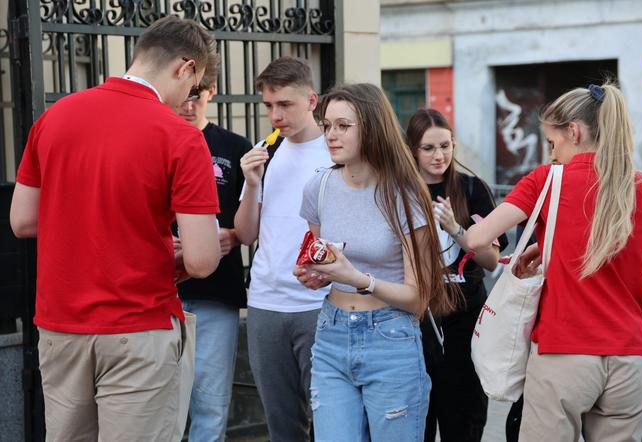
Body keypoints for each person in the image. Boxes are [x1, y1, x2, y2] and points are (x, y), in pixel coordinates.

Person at [9, 16, 221, 442]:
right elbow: (201, 260)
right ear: (186, 67)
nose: (188, 98)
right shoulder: (180, 137)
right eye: (193, 86)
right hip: (139, 326)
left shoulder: (55, 118)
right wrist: (171, 252)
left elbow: (22, 220)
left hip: (60, 327)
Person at [462, 82, 642, 442]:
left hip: (563, 353)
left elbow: (476, 239)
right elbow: (632, 244)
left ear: (574, 131)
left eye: (553, 144)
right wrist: (551, 246)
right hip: (631, 357)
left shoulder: (547, 180)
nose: (551, 155)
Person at [294, 83, 460, 441]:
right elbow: (324, 260)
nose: (331, 135)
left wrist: (358, 278)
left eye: (343, 126)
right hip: (331, 334)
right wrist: (315, 274)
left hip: (390, 337)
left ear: (370, 127)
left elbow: (419, 298)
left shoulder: (404, 194)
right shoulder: (318, 188)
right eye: (327, 126)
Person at [233, 56, 331, 442]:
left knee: (329, 419)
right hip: (265, 303)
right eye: (268, 106)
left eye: (285, 105)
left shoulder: (335, 151)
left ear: (311, 100)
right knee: (281, 423)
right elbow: (245, 234)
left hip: (319, 303)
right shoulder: (264, 150)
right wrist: (252, 183)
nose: (275, 115)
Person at [405, 108, 508, 442]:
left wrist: (455, 228)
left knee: (462, 425)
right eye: (429, 148)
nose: (440, 155)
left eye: (446, 146)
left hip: (466, 324)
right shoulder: (399, 191)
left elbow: (492, 260)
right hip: (415, 325)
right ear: (412, 150)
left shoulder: (471, 188)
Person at [173, 70, 252, 441]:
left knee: (210, 399)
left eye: (197, 96)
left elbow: (254, 218)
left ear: (213, 91)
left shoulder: (235, 147)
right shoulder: (156, 138)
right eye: (183, 96)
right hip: (160, 290)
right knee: (160, 401)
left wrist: (234, 235)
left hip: (216, 290)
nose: (188, 106)